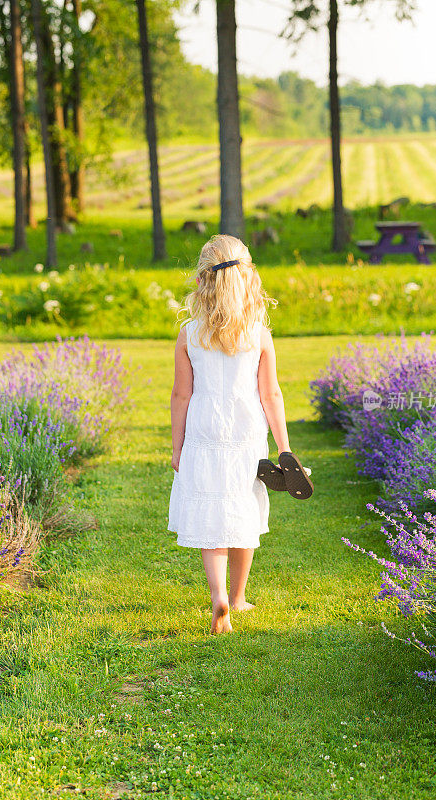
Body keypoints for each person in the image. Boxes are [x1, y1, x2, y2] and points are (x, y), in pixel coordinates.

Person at [168, 234, 312, 634]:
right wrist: (284, 448)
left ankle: (217, 598)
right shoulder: (258, 333)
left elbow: (182, 395)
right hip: (246, 431)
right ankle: (238, 598)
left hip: (204, 431)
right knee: (243, 508)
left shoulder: (189, 335)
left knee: (211, 510)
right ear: (249, 279)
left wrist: (177, 447)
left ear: (202, 280)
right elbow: (271, 394)